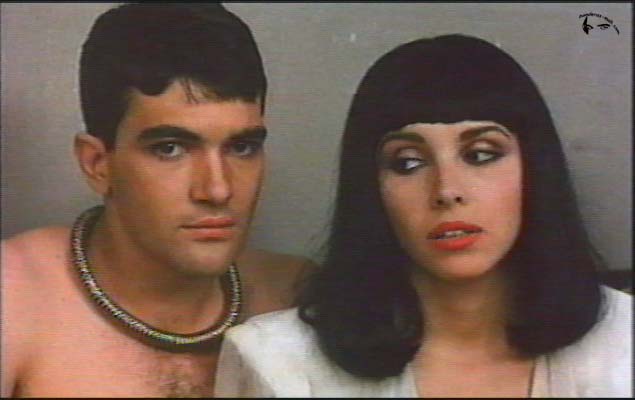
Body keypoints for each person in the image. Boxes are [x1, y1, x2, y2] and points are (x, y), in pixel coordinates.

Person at [216, 34, 632, 397]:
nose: (447, 190)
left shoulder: (623, 343)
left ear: (536, 168)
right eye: (408, 163)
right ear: (371, 187)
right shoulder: (277, 363)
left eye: (480, 155)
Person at [1, 3, 311, 397]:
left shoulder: (296, 296)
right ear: (97, 163)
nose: (217, 189)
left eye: (242, 147)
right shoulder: (15, 295)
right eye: (170, 149)